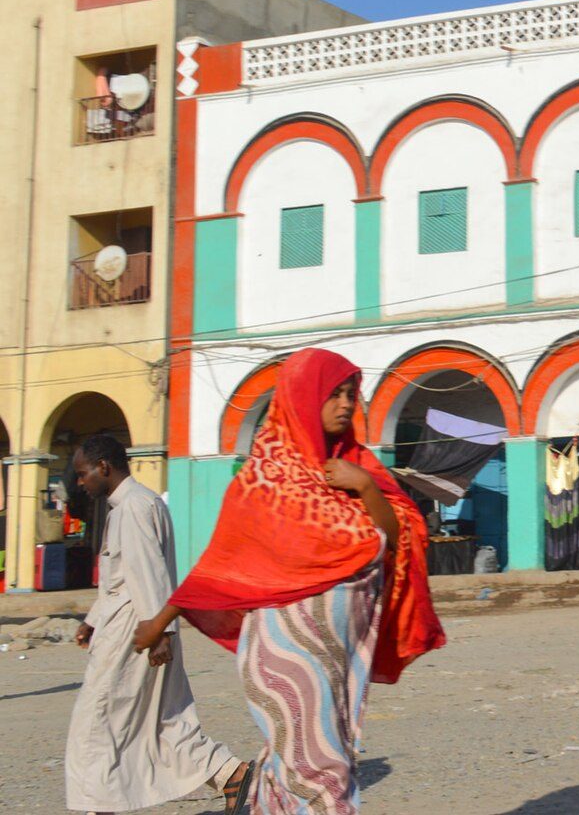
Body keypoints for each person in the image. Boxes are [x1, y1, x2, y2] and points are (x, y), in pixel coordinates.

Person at [133, 348, 445, 813]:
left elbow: (397, 537)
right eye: (332, 394)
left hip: (338, 655)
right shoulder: (265, 481)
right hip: (285, 653)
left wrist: (362, 485)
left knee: (298, 766)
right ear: (302, 397)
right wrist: (159, 623)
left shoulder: (356, 465)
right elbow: (221, 566)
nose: (345, 404)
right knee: (321, 773)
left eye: (349, 394)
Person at [63, 435, 252, 814]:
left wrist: (160, 635)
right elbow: (122, 578)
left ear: (104, 467)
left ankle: (99, 807)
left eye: (83, 474)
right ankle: (230, 773)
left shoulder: (133, 508)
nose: (81, 482)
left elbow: (148, 574)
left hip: (135, 637)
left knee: (96, 724)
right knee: (164, 720)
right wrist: (93, 621)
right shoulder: (139, 503)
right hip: (138, 629)